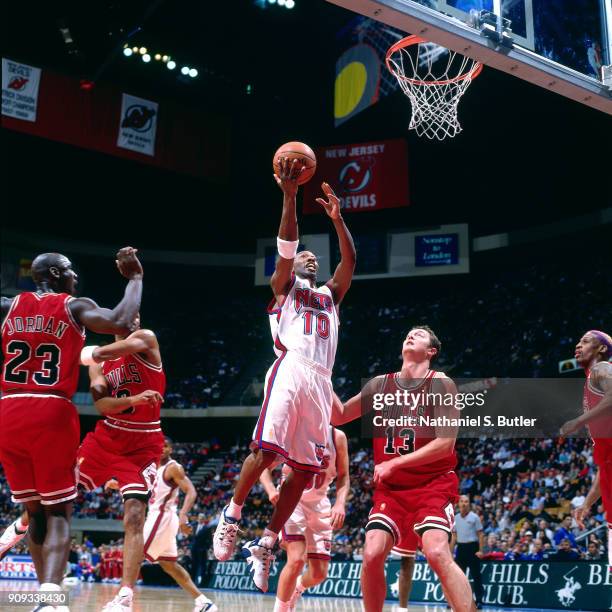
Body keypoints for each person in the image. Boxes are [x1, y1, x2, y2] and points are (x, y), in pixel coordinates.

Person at [213, 157, 356, 592]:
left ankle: (268, 541)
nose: (310, 259)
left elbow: (349, 260)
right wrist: (290, 197)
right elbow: (286, 247)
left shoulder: (331, 295)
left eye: (315, 258)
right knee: (266, 453)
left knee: (305, 469)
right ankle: (232, 515)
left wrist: (338, 220)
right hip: (292, 368)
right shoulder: (284, 288)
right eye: (304, 257)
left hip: (321, 379)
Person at [0, 247, 143, 602]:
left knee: (34, 511)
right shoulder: (73, 306)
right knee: (60, 512)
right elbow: (122, 321)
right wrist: (136, 279)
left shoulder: (7, 306)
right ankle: (51, 599)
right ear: (54, 274)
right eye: (69, 271)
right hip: (50, 411)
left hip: (7, 410)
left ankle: (43, 596)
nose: (75, 277)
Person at [333, 326, 476, 612]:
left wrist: (394, 462)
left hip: (432, 484)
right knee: (372, 553)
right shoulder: (379, 385)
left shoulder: (441, 383)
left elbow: (445, 444)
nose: (411, 336)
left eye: (420, 335)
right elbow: (338, 415)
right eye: (408, 333)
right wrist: (318, 376)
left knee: (436, 551)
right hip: (392, 490)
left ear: (432, 351)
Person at [77, 324, 166, 611]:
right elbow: (103, 405)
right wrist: (134, 400)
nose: (134, 319)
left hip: (143, 442)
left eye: (137, 314)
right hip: (108, 436)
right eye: (128, 315)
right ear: (114, 321)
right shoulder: (100, 365)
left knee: (135, 516)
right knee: (60, 492)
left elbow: (102, 352)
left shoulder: (145, 338)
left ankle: (126, 595)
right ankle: (17, 528)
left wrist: (85, 353)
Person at [107, 438, 217, 611]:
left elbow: (191, 491)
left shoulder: (173, 467)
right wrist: (119, 484)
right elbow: (145, 490)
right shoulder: (152, 468)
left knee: (135, 554)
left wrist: (183, 514)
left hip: (162, 517)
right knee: (169, 565)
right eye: (160, 445)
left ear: (171, 449)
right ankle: (204, 602)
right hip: (159, 517)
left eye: (166, 446)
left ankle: (123, 602)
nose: (162, 449)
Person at [259, 426, 349, 612]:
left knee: (319, 574)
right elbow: (262, 468)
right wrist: (270, 490)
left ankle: (297, 588)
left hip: (320, 505)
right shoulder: (294, 431)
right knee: (297, 559)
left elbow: (344, 476)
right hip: (293, 502)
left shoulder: (337, 437)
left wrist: (340, 503)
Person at [561, 330, 612, 567]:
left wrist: (577, 422)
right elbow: (605, 469)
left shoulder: (603, 369)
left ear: (601, 349)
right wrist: (587, 504)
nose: (577, 345)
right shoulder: (591, 383)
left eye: (585, 341)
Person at [451, 495, 485, 609]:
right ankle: (457, 600)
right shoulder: (455, 518)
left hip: (472, 548)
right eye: (462, 501)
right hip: (461, 548)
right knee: (459, 577)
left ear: (469, 504)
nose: (464, 504)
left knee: (476, 576)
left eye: (466, 502)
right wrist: (450, 552)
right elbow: (454, 537)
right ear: (459, 504)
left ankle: (479, 600)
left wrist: (480, 550)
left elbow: (480, 534)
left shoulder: (475, 517)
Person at [191, 514, 212, 587]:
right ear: (198, 519)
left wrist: (205, 548)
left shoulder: (207, 528)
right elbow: (192, 538)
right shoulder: (194, 526)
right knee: (194, 566)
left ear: (204, 519)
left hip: (202, 550)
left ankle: (202, 583)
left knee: (202, 566)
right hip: (194, 549)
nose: (200, 519)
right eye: (199, 518)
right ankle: (192, 582)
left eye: (202, 518)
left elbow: (210, 540)